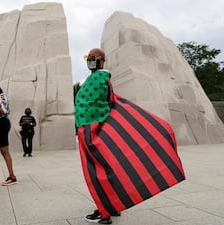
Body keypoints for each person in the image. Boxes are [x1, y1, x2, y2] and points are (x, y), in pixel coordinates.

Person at [75, 48, 185, 224]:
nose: (90, 60)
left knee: (97, 171)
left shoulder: (98, 79)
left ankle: (104, 213)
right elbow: (108, 101)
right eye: (88, 57)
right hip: (92, 127)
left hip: (90, 128)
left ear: (102, 60)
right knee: (108, 166)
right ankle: (112, 206)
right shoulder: (101, 78)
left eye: (93, 58)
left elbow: (91, 105)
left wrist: (83, 127)